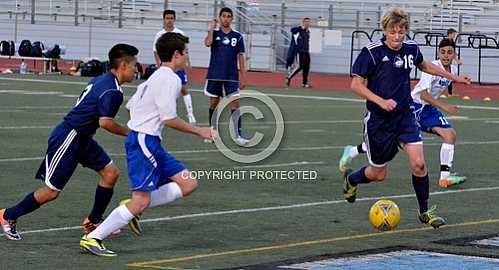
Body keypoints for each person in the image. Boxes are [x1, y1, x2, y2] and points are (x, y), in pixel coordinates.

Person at [80, 32, 216, 257]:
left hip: (148, 141)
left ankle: (131, 206)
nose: (187, 57)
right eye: (186, 53)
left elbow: (130, 106)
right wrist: (199, 130)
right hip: (144, 141)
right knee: (141, 201)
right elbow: (168, 118)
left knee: (188, 184)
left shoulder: (155, 77)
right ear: (176, 54)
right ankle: (93, 237)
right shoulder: (170, 79)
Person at [343, 7, 470, 228]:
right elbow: (355, 84)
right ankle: (352, 179)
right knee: (378, 174)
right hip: (379, 122)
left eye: (401, 32)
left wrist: (453, 76)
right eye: (393, 32)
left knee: (419, 164)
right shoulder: (371, 52)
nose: (397, 36)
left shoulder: (410, 49)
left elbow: (426, 65)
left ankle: (424, 212)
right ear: (385, 30)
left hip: (405, 117)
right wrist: (380, 101)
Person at [0, 44, 138, 240]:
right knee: (51, 193)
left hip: (82, 137)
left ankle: (93, 221)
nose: (136, 69)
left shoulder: (104, 80)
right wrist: (130, 133)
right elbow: (105, 122)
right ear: (123, 65)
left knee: (110, 173)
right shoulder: (112, 91)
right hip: (69, 137)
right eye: (134, 65)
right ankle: (8, 215)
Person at [339, 38, 467, 188]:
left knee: (447, 135)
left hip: (428, 108)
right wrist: (445, 107)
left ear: (454, 54)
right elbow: (424, 94)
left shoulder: (454, 69)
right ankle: (444, 178)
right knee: (399, 139)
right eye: (443, 52)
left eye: (449, 52)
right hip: (416, 106)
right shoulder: (433, 67)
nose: (446, 55)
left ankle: (353, 151)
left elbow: (444, 85)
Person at [204, 7, 248, 145]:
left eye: (229, 16)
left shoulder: (238, 36)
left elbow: (240, 56)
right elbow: (207, 43)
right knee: (214, 103)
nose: (226, 18)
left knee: (235, 104)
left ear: (232, 19)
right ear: (220, 17)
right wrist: (211, 28)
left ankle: (238, 135)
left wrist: (243, 75)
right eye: (224, 16)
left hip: (231, 75)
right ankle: (212, 133)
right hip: (215, 74)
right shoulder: (214, 33)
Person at [154, 9, 197, 124]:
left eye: (171, 18)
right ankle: (165, 113)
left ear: (174, 19)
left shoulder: (180, 33)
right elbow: (156, 51)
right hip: (165, 67)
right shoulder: (159, 35)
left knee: (183, 89)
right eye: (167, 18)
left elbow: (185, 50)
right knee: (165, 90)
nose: (169, 21)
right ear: (164, 19)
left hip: (178, 67)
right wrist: (159, 65)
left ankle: (190, 114)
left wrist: (188, 63)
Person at [285, 17, 311, 88]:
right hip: (300, 51)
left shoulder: (307, 31)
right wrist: (300, 28)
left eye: (308, 22)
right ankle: (289, 77)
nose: (307, 23)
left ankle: (304, 83)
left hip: (306, 51)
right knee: (300, 66)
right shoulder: (299, 30)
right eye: (306, 22)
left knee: (306, 67)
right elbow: (292, 30)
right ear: (303, 22)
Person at [446, 28, 458, 95]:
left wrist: (456, 57)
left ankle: (450, 93)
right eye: (454, 34)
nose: (454, 35)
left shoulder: (452, 42)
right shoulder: (445, 41)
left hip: (449, 62)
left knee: (449, 76)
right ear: (450, 34)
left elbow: (453, 52)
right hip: (443, 62)